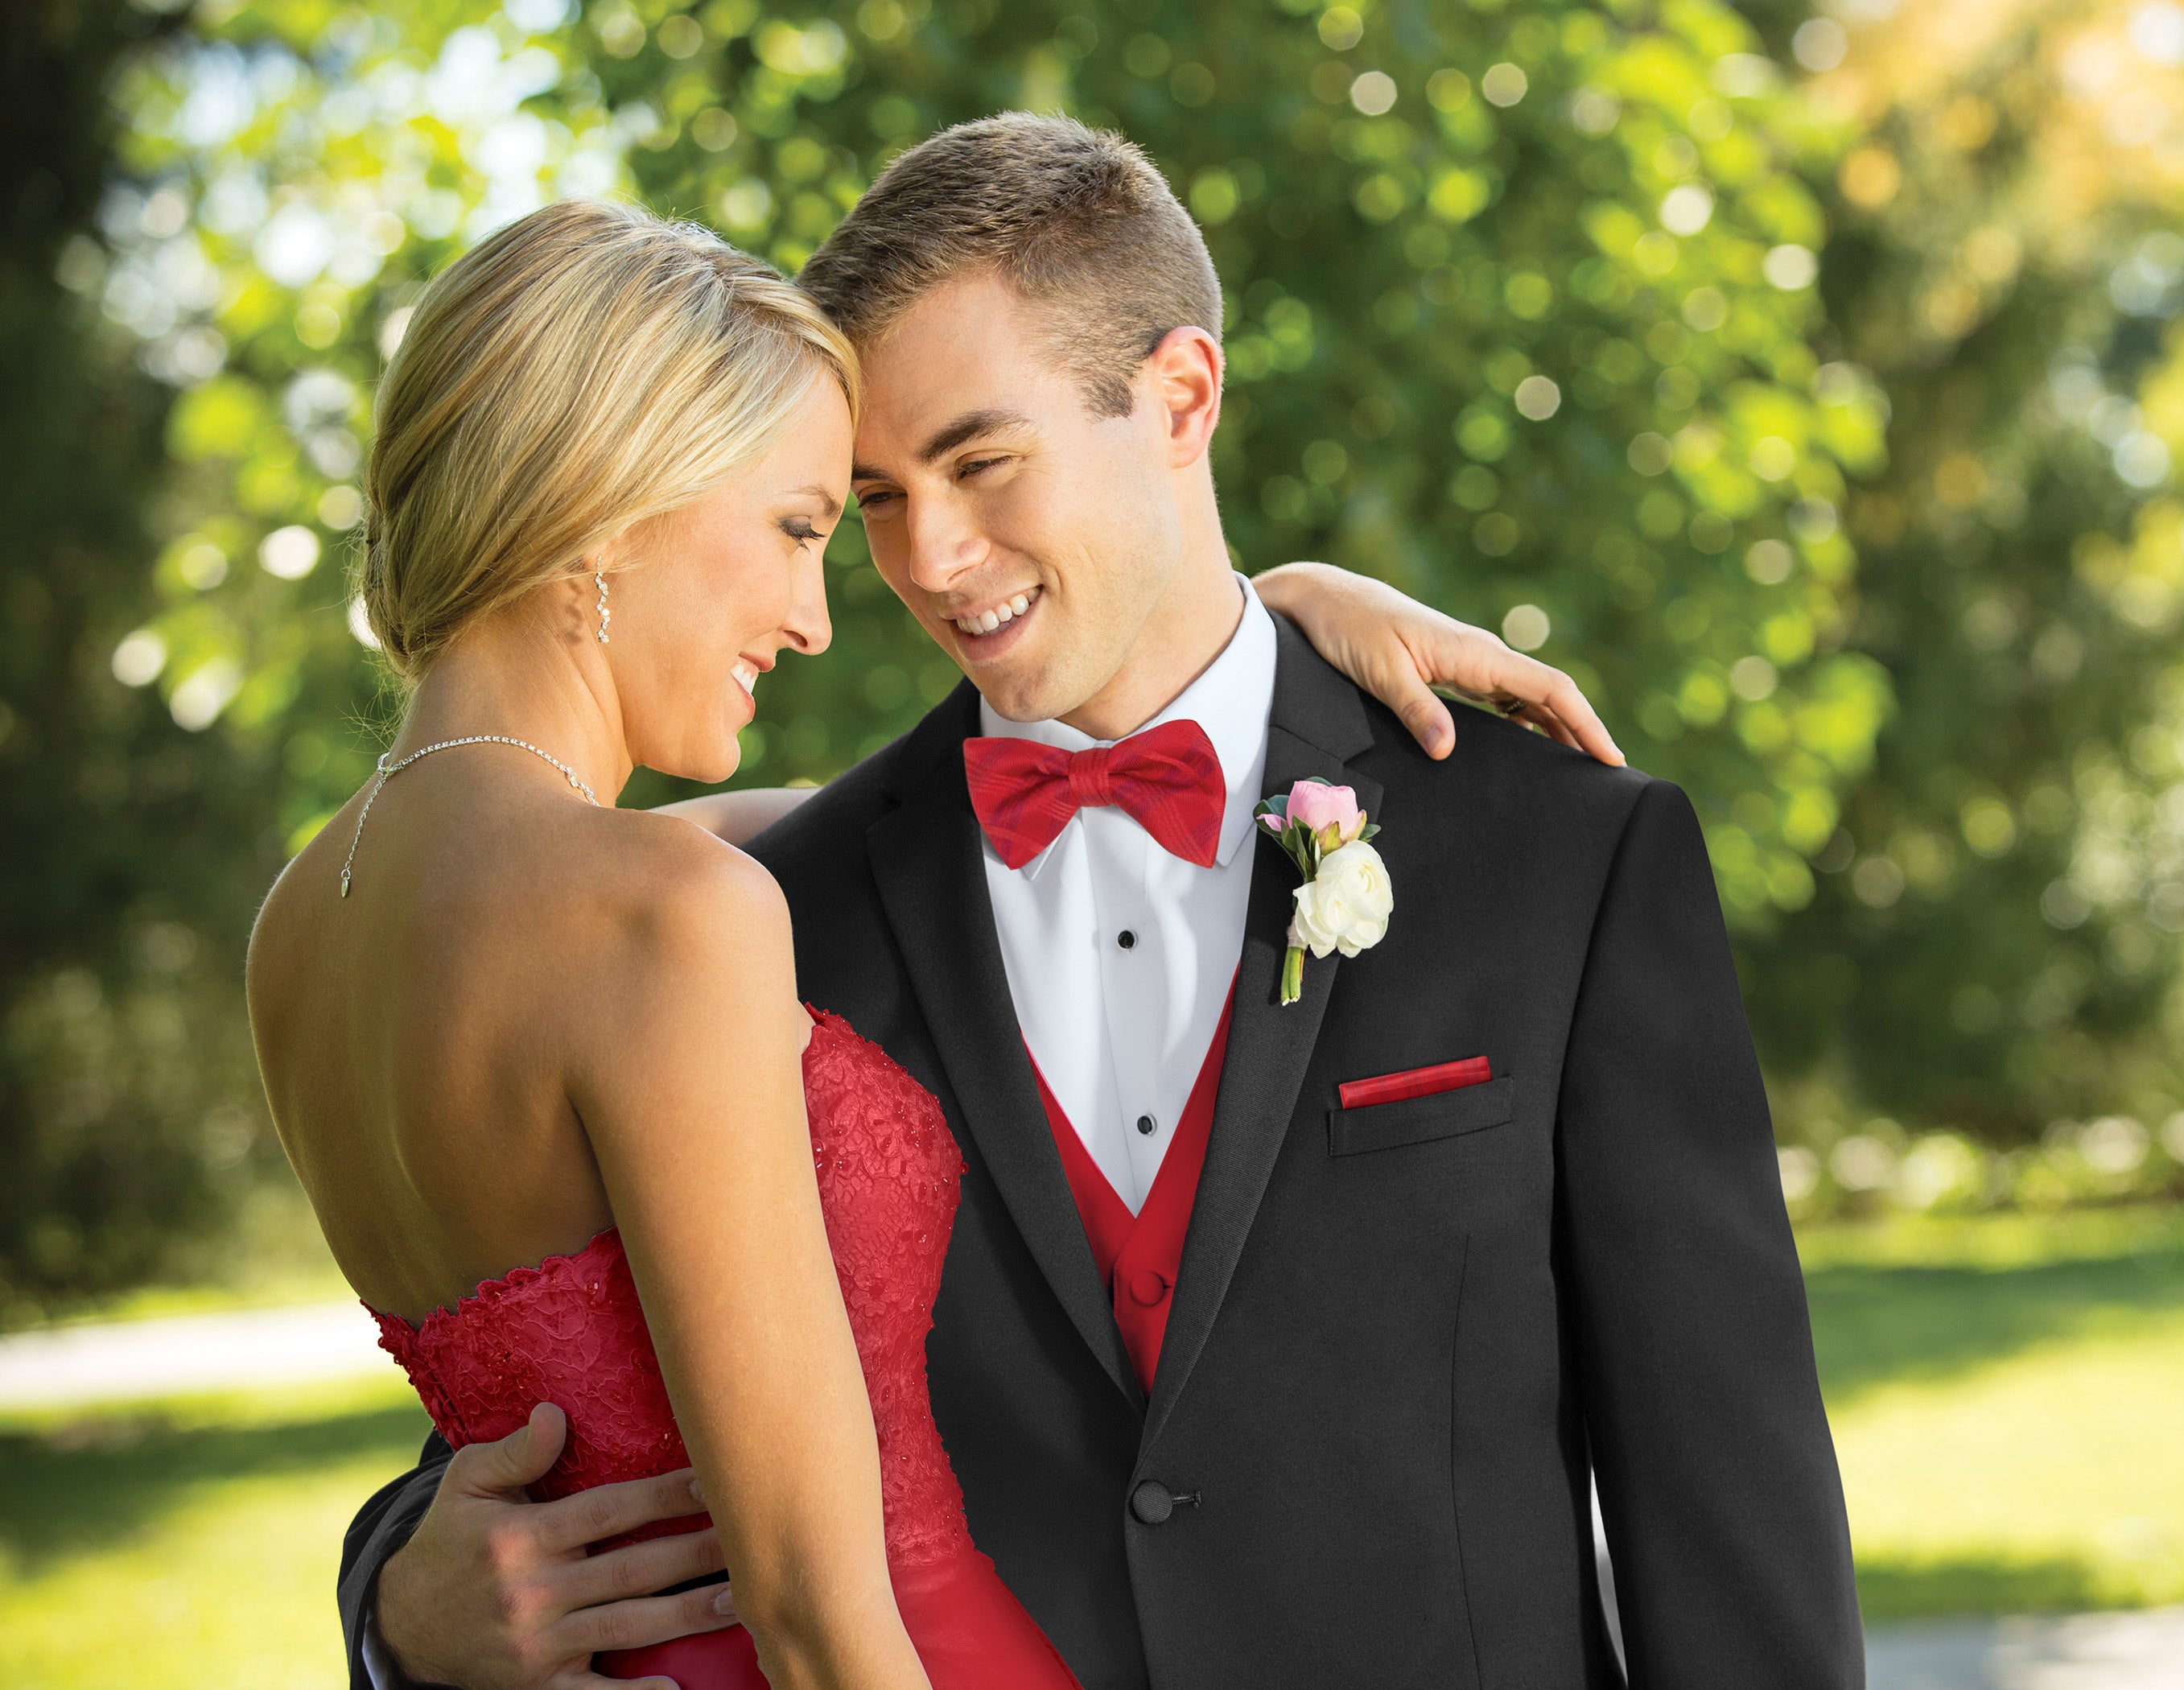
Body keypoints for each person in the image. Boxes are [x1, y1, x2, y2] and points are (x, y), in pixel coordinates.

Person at [339, 116, 1864, 1690]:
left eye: (982, 461)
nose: (930, 556)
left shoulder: (1553, 860)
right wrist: (395, 1605)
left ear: (1182, 397)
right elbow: (570, 1394)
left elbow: (1728, 1501)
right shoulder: (763, 923)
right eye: (869, 497)